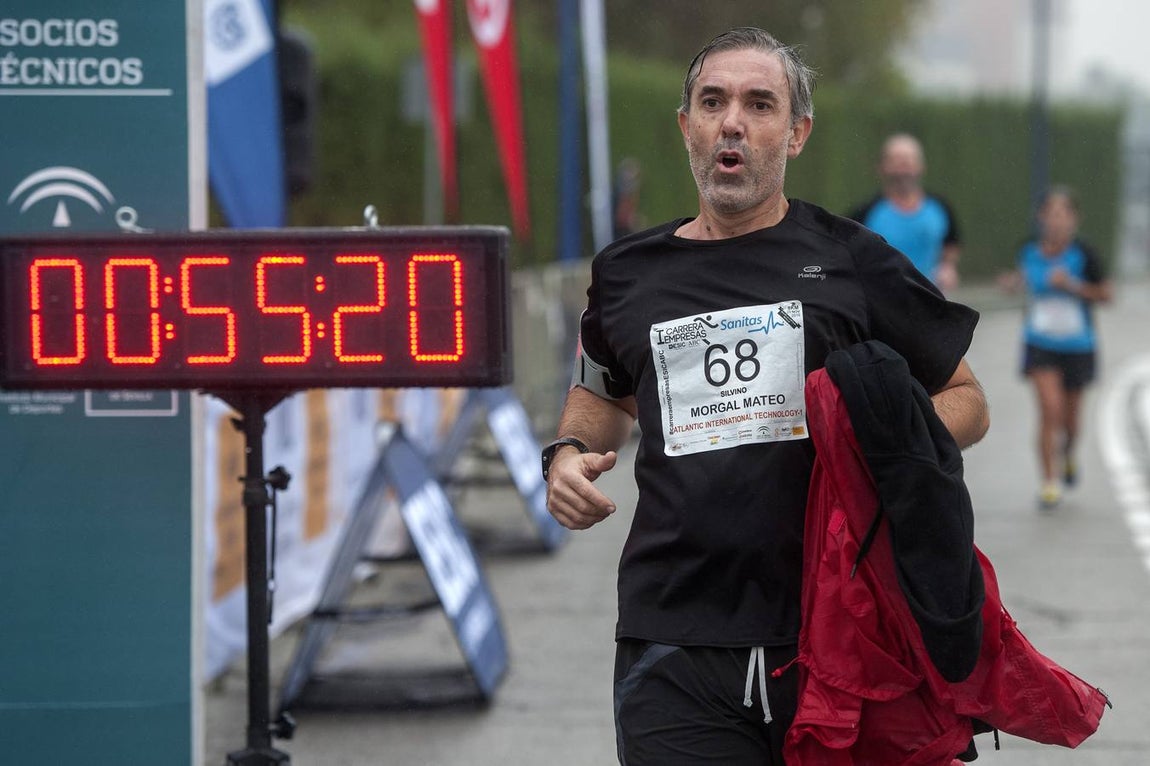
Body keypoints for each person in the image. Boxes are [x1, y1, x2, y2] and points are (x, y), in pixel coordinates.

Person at [541, 26, 990, 765]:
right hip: (673, 636)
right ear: (687, 126)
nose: (733, 122)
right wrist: (568, 455)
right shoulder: (627, 272)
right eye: (713, 102)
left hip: (833, 631)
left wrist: (897, 445)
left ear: (798, 132)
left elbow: (965, 396)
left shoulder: (851, 260)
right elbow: (602, 396)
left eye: (759, 103)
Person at [1005, 186, 1111, 510]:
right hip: (1040, 343)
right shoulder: (1028, 251)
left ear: (1074, 220)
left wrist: (1073, 286)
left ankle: (1068, 455)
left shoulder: (1085, 254)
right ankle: (1049, 482)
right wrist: (1012, 284)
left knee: (1071, 420)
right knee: (1049, 409)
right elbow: (1021, 282)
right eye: (1051, 214)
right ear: (1041, 218)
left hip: (1079, 345)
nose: (1056, 221)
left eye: (1063, 215)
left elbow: (1106, 295)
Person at [849, 133, 962, 291]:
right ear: (881, 167)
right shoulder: (864, 213)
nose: (903, 166)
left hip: (930, 299)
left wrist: (948, 267)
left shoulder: (941, 207)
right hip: (879, 302)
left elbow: (951, 243)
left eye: (909, 159)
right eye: (896, 160)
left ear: (922, 166)